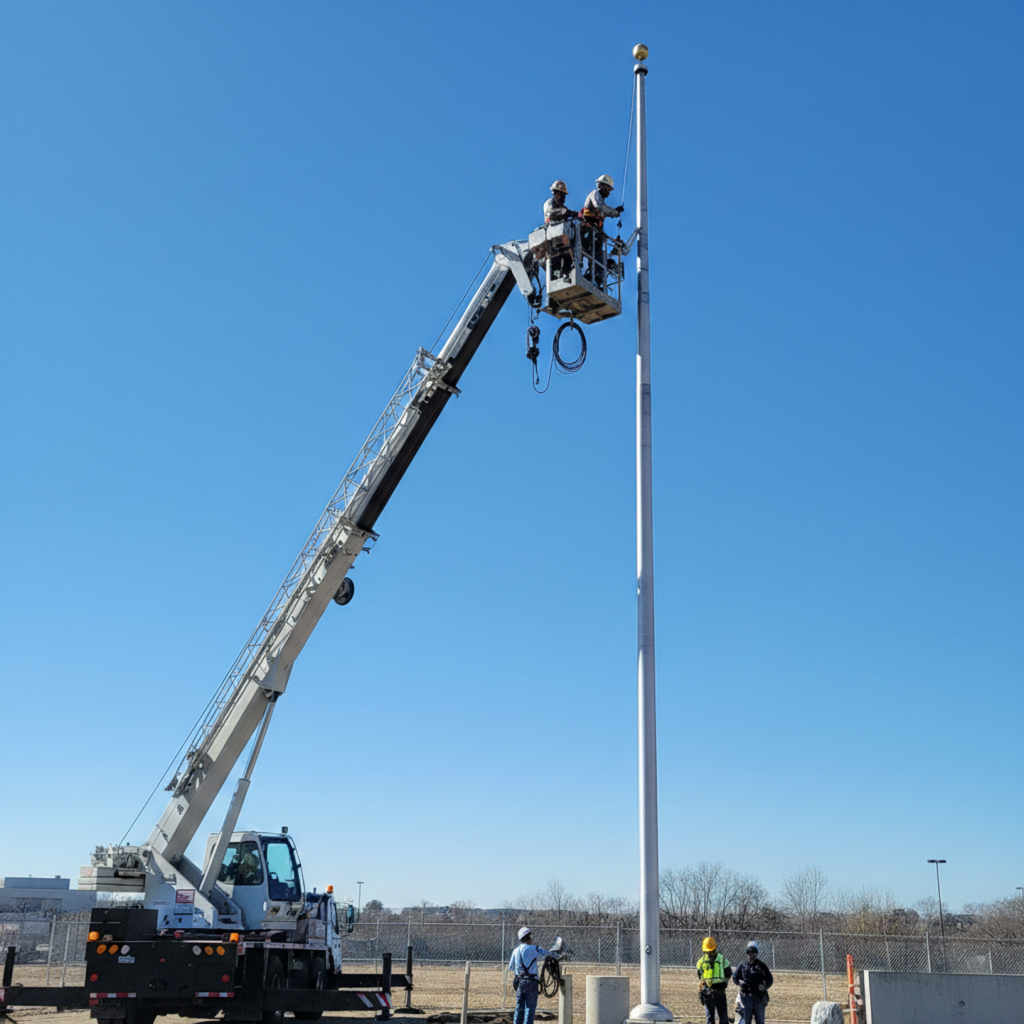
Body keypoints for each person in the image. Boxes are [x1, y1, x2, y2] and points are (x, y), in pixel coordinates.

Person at [579, 174, 624, 286]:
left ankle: (596, 277)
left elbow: (600, 218)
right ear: (601, 186)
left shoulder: (601, 203)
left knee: (598, 258)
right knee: (593, 255)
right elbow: (600, 207)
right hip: (586, 232)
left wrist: (609, 238)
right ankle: (592, 274)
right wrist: (615, 213)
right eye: (608, 188)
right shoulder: (595, 194)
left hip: (595, 235)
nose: (609, 192)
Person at [509, 926, 553, 1024]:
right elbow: (548, 955)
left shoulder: (515, 951)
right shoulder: (535, 949)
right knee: (530, 1008)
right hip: (532, 982)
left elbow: (511, 967)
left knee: (519, 1007)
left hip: (520, 982)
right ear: (529, 937)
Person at [731, 941, 773, 1024]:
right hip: (746, 998)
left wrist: (764, 987)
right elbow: (735, 977)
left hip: (759, 998)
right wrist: (740, 984)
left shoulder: (762, 966)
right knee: (746, 1021)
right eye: (749, 953)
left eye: (754, 952)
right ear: (747, 953)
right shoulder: (743, 966)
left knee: (760, 1021)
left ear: (757, 953)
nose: (751, 955)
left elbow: (770, 979)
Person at [696, 936, 732, 1024]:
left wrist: (723, 983)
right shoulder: (701, 961)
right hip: (708, 993)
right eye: (708, 951)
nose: (710, 953)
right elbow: (700, 975)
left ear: (715, 949)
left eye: (711, 951)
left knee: (723, 1017)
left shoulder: (721, 959)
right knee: (710, 1018)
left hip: (720, 992)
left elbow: (729, 972)